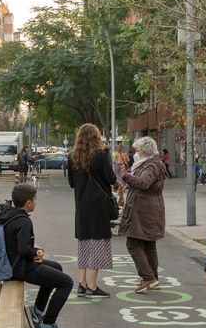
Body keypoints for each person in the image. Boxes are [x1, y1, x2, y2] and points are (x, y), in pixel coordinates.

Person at [0, 183, 74, 328]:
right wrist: (36, 252)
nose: (36, 201)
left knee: (57, 268)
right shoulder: (24, 221)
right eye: (35, 199)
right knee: (66, 283)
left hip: (13, 262)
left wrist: (33, 253)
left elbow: (19, 246)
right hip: (20, 268)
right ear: (29, 202)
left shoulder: (11, 215)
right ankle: (47, 327)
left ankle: (37, 311)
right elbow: (24, 250)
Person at [67, 123, 117, 298]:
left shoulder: (72, 156)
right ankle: (93, 285)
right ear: (96, 137)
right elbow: (111, 178)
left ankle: (81, 283)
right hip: (99, 206)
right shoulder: (100, 155)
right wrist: (107, 155)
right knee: (97, 243)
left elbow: (72, 183)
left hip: (81, 207)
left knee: (84, 243)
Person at [118, 136, 167, 294]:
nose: (136, 153)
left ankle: (148, 278)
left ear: (144, 151)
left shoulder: (152, 165)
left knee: (133, 244)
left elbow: (144, 183)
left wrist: (125, 176)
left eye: (138, 150)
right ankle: (152, 278)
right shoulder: (153, 163)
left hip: (144, 210)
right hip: (148, 208)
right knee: (148, 244)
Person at [114, 143, 129, 208]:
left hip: (117, 165)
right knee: (123, 176)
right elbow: (128, 160)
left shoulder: (116, 153)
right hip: (123, 165)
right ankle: (124, 186)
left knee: (118, 177)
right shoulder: (125, 153)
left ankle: (120, 187)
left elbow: (114, 160)